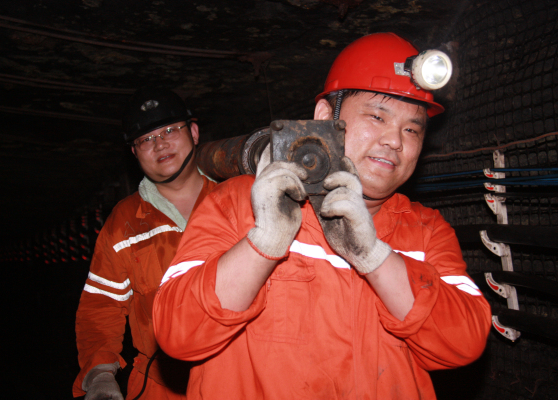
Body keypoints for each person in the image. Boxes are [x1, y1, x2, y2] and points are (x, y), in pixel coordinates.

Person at [153, 33, 491, 399]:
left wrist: (375, 257)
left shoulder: (426, 230)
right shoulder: (236, 204)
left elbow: (464, 344)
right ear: (325, 117)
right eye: (377, 117)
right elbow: (177, 333)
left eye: (411, 129)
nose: (395, 140)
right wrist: (263, 243)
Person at [73, 87, 217, 400]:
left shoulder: (239, 200)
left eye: (170, 130)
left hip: (243, 377)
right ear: (135, 152)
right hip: (164, 386)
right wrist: (100, 373)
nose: (160, 144)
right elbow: (101, 307)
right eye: (146, 139)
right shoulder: (124, 223)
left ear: (193, 132)